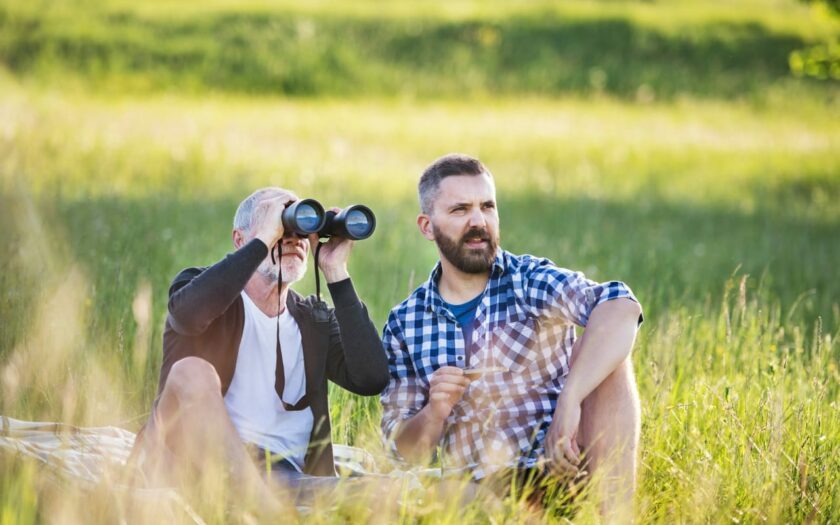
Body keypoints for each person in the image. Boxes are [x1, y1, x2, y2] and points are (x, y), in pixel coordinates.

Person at [380, 154, 643, 517]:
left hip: (558, 472)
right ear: (427, 226)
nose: (478, 221)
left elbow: (621, 306)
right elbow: (401, 451)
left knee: (610, 357)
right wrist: (434, 411)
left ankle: (616, 519)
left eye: (487, 207)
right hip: (470, 491)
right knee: (437, 496)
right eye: (460, 210)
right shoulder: (405, 323)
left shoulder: (528, 280)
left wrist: (571, 398)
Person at [131, 187, 389, 513]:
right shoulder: (202, 292)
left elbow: (371, 378)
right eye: (281, 229)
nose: (293, 239)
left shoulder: (314, 320)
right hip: (192, 466)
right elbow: (187, 316)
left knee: (400, 492)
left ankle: (266, 505)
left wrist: (336, 271)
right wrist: (265, 238)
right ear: (241, 240)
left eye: (299, 233)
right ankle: (266, 508)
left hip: (288, 482)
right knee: (191, 372)